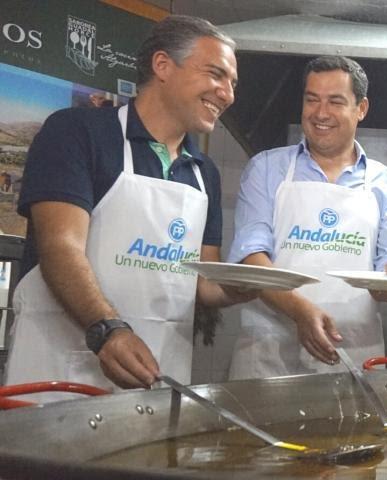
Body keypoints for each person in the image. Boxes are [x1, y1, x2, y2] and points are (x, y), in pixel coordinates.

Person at [3, 15, 252, 402]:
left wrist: (245, 287)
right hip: (59, 374)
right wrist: (107, 330)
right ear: (163, 66)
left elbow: (201, 283)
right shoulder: (76, 132)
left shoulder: (205, 173)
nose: (229, 95)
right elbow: (60, 248)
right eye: (217, 75)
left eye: (233, 84)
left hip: (159, 375)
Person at [227, 56, 387, 379]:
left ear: (361, 108)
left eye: (335, 102)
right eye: (311, 99)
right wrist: (300, 311)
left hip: (352, 351)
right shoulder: (267, 169)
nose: (320, 113)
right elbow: (250, 256)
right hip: (267, 356)